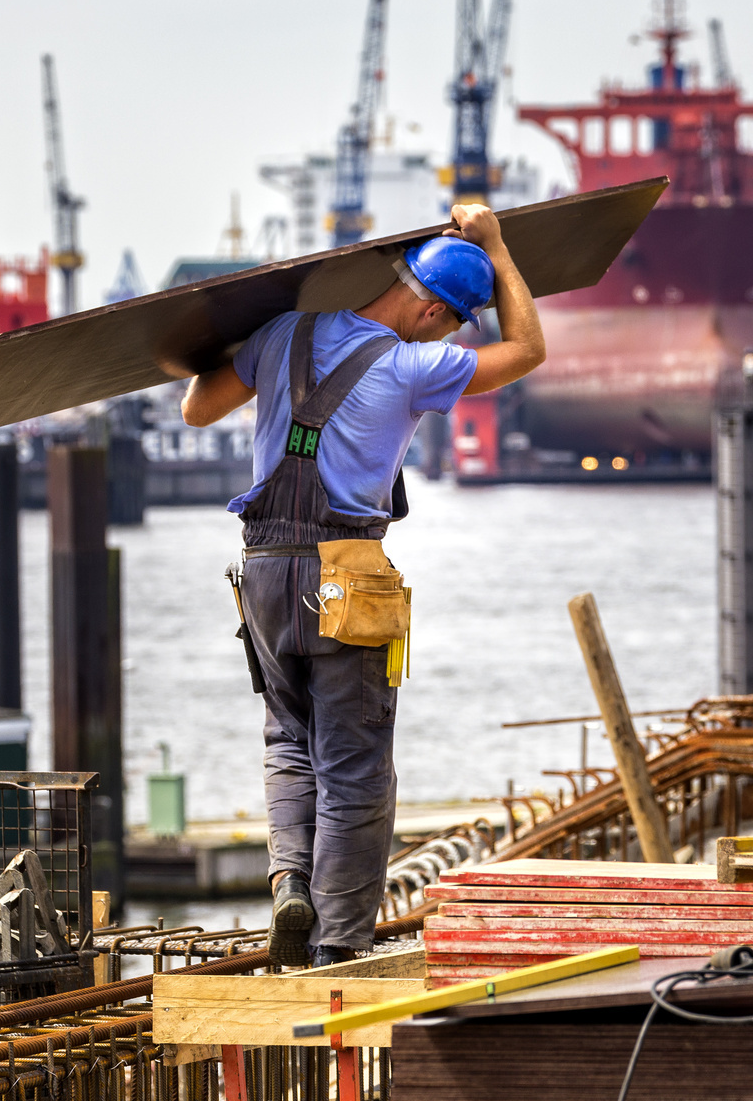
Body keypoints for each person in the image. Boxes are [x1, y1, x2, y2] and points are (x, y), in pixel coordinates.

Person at [180, 203, 543, 967]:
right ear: (431, 308)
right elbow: (528, 349)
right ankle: (338, 951)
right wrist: (499, 248)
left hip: (264, 573)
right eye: (450, 323)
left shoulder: (285, 334)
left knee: (288, 740)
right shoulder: (415, 366)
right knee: (355, 763)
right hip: (346, 574)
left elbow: (196, 406)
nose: (448, 337)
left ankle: (289, 888)